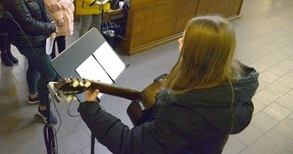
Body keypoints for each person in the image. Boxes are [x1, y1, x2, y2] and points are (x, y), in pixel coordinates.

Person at [78, 15, 259, 154]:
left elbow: (130, 145)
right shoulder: (232, 87)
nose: (179, 41)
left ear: (198, 55)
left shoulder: (183, 114)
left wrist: (91, 109)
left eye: (185, 40)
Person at [0, 0, 58, 123]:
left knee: (34, 65)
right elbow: (29, 25)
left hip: (38, 37)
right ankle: (43, 109)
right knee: (49, 74)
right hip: (29, 41)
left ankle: (33, 95)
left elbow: (42, 7)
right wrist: (51, 28)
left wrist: (49, 23)